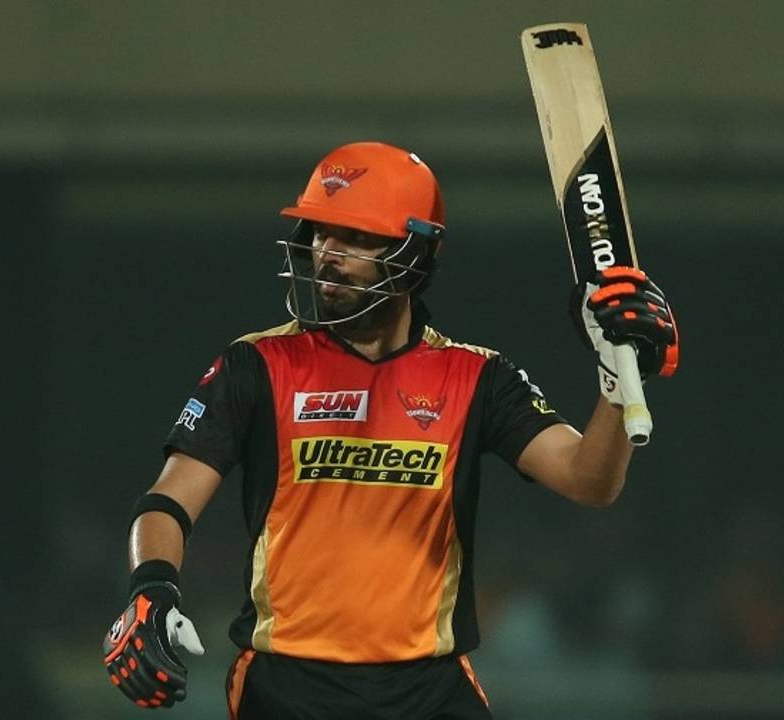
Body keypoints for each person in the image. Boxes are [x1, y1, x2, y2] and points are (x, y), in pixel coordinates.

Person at [101, 141, 679, 718]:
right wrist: (150, 588)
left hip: (429, 691)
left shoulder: (478, 377)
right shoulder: (257, 365)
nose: (328, 253)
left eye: (354, 237)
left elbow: (590, 480)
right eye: (322, 233)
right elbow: (167, 498)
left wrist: (618, 379)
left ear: (415, 253)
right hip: (290, 688)